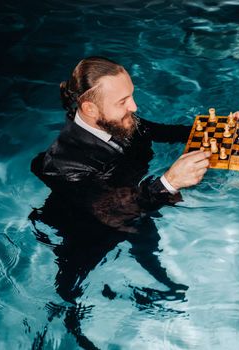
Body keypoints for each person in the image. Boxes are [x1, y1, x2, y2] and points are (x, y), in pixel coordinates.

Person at [29, 56, 210, 348]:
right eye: (124, 101)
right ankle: (72, 329)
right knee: (71, 285)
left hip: (138, 203)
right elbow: (110, 209)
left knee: (147, 244)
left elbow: (162, 132)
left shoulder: (120, 120)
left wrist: (218, 132)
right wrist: (169, 182)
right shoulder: (63, 162)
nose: (134, 107)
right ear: (89, 108)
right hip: (85, 227)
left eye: (132, 96)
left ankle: (158, 276)